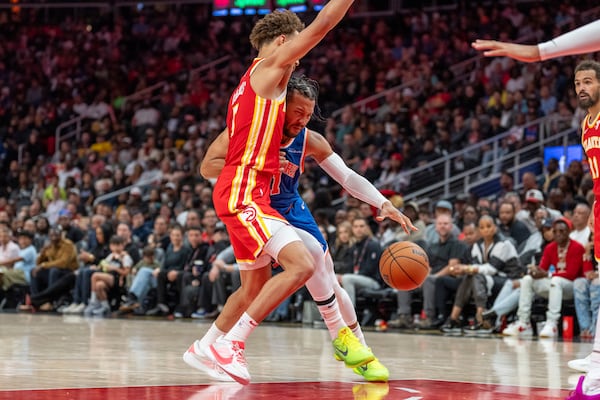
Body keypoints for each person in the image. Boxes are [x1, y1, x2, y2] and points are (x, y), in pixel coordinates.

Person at [182, 3, 378, 385]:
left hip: (241, 190)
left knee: (253, 287)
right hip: (245, 191)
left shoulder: (255, 90)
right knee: (302, 265)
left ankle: (205, 347)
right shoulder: (268, 69)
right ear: (283, 43)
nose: (297, 65)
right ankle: (232, 345)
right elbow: (322, 25)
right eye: (295, 54)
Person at [192, 75, 415, 382]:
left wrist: (381, 203)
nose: (302, 120)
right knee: (259, 285)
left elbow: (348, 178)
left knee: (324, 271)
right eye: (297, 112)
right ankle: (208, 346)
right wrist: (258, 161)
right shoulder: (249, 131)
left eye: (308, 114)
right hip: (253, 206)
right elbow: (207, 168)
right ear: (280, 107)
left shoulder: (309, 139)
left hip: (288, 208)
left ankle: (360, 351)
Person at [473, 27, 600, 399]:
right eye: (578, 82)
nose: (581, 88)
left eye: (590, 81)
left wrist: (535, 51)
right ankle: (597, 357)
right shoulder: (585, 124)